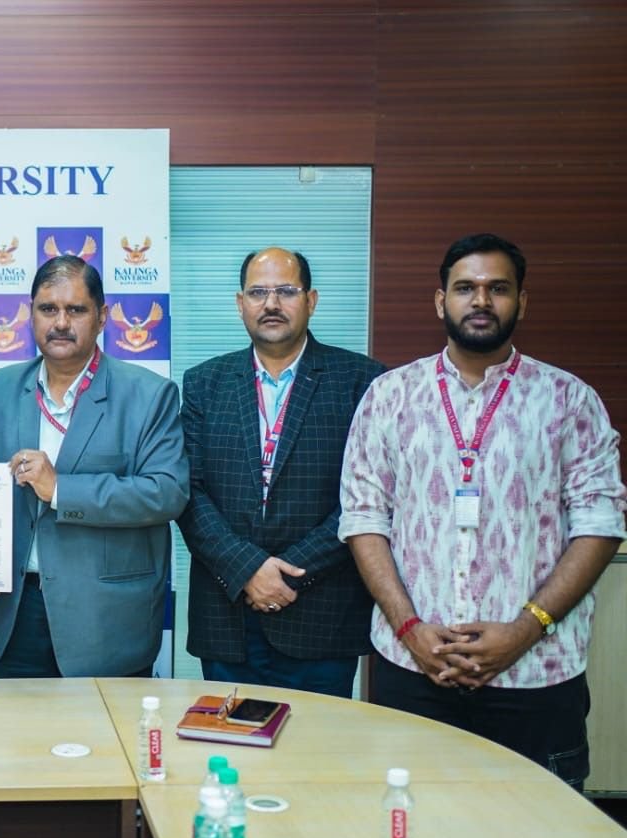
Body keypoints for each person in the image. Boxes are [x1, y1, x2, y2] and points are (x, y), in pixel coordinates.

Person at [340, 233, 626, 788]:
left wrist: (524, 630)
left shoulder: (570, 400)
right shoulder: (389, 396)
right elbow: (364, 518)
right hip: (413, 667)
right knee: (411, 818)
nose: (480, 300)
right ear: (440, 301)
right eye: (465, 288)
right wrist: (411, 629)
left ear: (522, 301)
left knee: (540, 823)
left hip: (537, 673)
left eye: (498, 288)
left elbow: (600, 525)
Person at [0, 255, 188, 678]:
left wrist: (60, 490)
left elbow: (166, 492)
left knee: (106, 726)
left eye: (76, 310)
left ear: (102, 317)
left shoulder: (148, 394)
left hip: (106, 620)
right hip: (15, 614)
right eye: (48, 309)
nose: (61, 323)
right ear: (31, 314)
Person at [178, 248, 384, 699]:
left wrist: (287, 576)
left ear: (311, 300)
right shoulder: (204, 383)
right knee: (230, 740)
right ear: (240, 304)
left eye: (286, 291)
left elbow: (366, 499)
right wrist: (248, 568)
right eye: (258, 293)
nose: (271, 304)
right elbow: (188, 492)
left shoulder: (362, 381)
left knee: (319, 743)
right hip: (227, 615)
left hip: (320, 618)